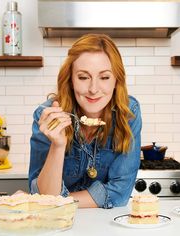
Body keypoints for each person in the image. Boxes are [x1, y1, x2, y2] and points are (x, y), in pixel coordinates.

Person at [29, 34, 142, 208]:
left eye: (104, 77)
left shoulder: (128, 113)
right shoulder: (46, 116)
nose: (93, 89)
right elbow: (44, 196)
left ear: (116, 81)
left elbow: (119, 192)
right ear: (71, 80)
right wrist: (57, 145)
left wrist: (61, 200)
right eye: (83, 77)